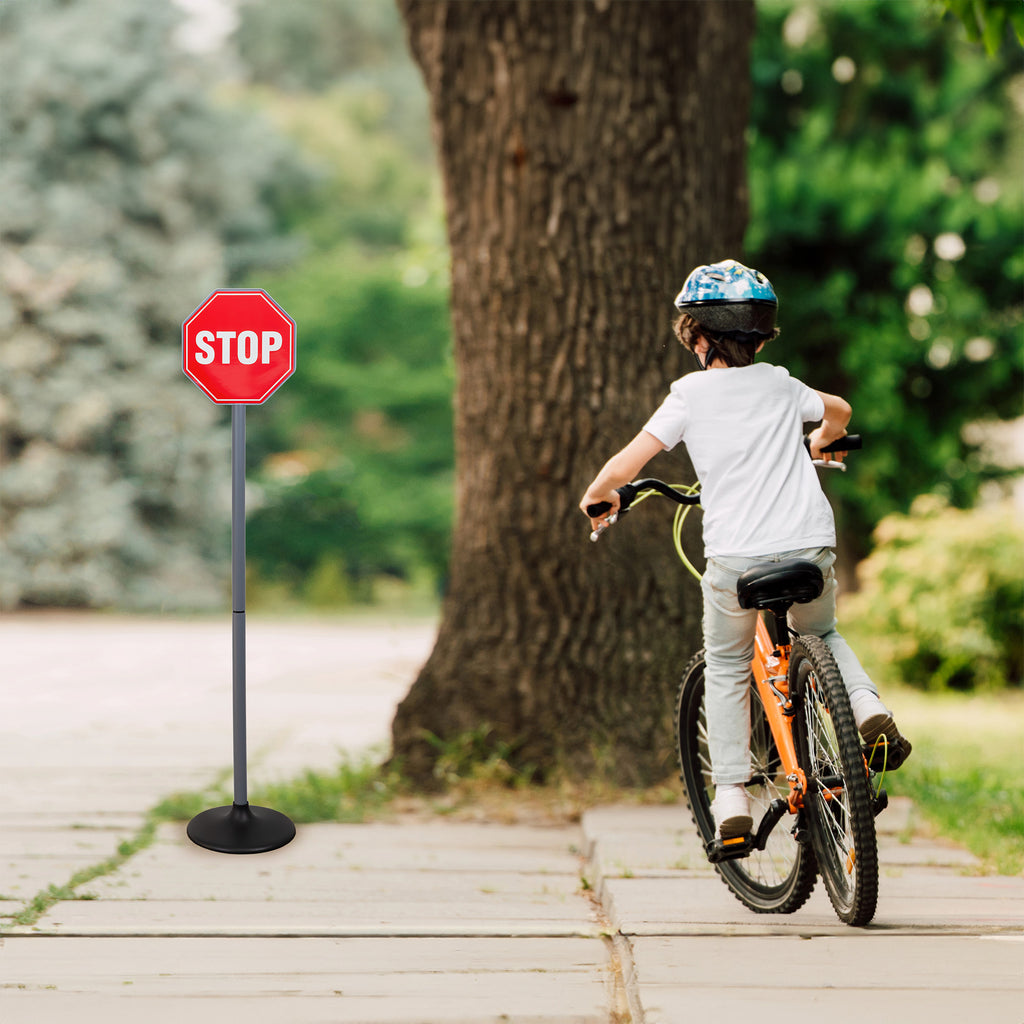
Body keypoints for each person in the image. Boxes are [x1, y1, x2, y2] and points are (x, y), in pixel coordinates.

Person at [579, 258, 911, 841]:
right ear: (760, 334)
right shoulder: (782, 384)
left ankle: (731, 794)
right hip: (809, 544)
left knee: (729, 664)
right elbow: (839, 410)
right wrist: (823, 440)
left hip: (737, 558)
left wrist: (600, 496)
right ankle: (862, 707)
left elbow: (629, 463)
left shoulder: (687, 395)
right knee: (826, 634)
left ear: (698, 335)